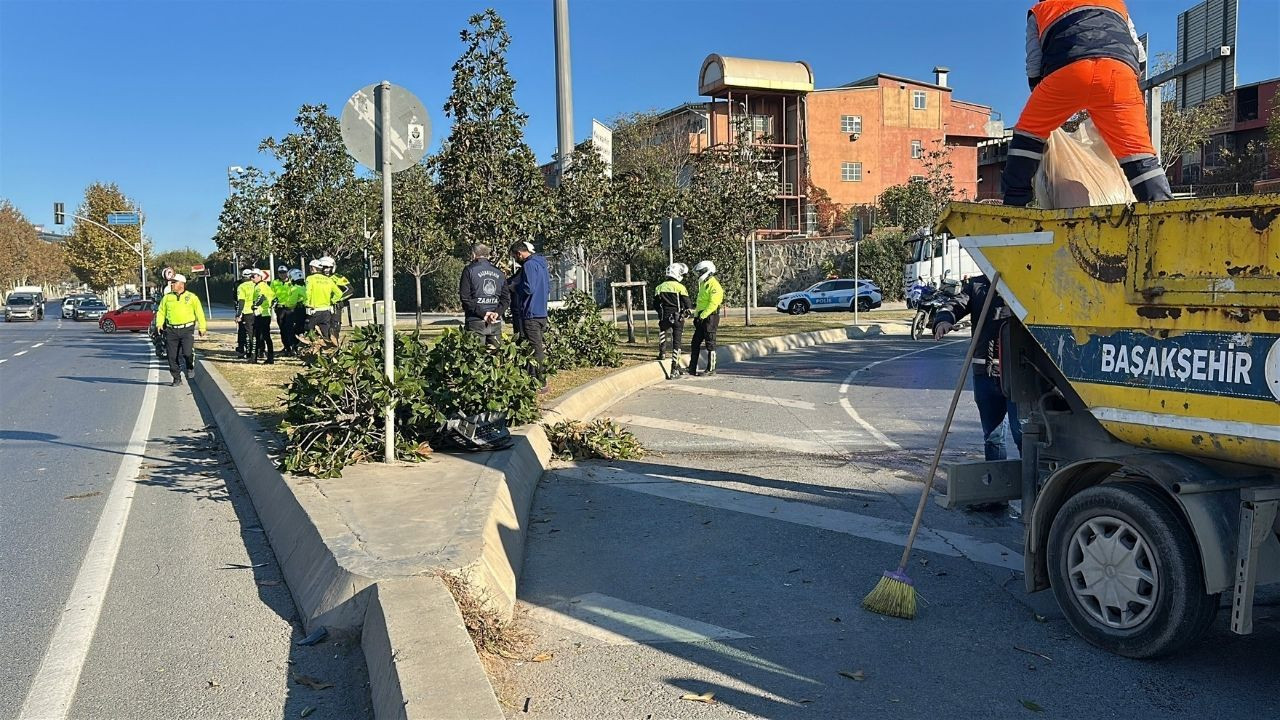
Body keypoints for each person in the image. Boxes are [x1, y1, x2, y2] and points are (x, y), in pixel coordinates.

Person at [1003, 0, 1172, 206]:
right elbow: (1141, 57)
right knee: (1140, 155)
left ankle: (1015, 205)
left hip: (1068, 72)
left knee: (1026, 137)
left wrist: (1046, 104)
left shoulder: (1041, 9)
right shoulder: (1116, 4)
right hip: (1119, 75)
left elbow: (1034, 66)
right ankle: (1163, 210)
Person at [933, 274, 1023, 463]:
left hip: (1020, 376)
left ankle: (1035, 487)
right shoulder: (977, 285)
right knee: (993, 437)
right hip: (986, 374)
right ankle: (998, 485)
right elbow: (955, 305)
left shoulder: (1024, 280)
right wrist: (943, 319)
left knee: (1023, 435)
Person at [509, 240, 550, 391]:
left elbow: (528, 288)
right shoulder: (541, 264)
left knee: (534, 348)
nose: (515, 260)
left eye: (515, 256)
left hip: (531, 313)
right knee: (536, 346)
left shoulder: (528, 265)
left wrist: (514, 287)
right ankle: (533, 377)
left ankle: (540, 380)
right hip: (541, 312)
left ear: (519, 253)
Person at [155, 274, 206, 387]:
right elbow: (161, 312)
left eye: (174, 282)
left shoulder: (192, 297)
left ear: (181, 284)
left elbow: (199, 313)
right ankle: (176, 377)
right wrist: (159, 324)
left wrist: (202, 327)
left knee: (187, 353)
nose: (172, 284)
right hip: (171, 330)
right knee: (172, 356)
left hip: (187, 329)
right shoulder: (167, 298)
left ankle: (189, 366)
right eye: (171, 282)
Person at [459, 243, 509, 348]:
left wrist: (483, 314)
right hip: (495, 321)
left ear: (473, 254)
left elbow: (465, 298)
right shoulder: (499, 272)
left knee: (476, 358)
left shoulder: (469, 270)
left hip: (475, 321)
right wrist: (497, 313)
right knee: (496, 358)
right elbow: (505, 299)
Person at [687, 260, 723, 377]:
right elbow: (700, 302)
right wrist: (696, 315)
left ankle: (711, 368)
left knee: (710, 343)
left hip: (710, 316)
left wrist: (702, 316)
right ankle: (692, 367)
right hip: (702, 316)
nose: (699, 274)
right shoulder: (703, 284)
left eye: (700, 272)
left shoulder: (714, 285)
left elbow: (713, 303)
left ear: (708, 271)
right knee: (695, 342)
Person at [655, 263, 691, 377]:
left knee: (662, 331)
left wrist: (661, 314)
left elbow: (655, 304)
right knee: (677, 342)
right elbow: (687, 304)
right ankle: (674, 368)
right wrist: (686, 312)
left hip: (664, 317)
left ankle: (662, 353)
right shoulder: (680, 287)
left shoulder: (659, 287)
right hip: (677, 317)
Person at [304, 258, 342, 343]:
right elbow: (339, 293)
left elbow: (307, 292)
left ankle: (312, 353)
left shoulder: (310, 279)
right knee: (325, 334)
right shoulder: (328, 280)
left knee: (310, 333)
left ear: (313, 268)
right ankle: (326, 352)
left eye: (310, 268)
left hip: (314, 310)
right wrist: (332, 301)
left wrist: (306, 303)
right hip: (326, 311)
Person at [246, 269, 276, 364]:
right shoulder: (264, 286)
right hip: (264, 314)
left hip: (262, 314)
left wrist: (255, 305)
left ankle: (255, 358)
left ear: (259, 276)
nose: (252, 278)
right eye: (251, 276)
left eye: (253, 276)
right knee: (264, 336)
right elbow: (274, 298)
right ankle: (268, 357)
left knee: (258, 336)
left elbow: (261, 297)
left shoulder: (260, 286)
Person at [277, 269, 304, 355]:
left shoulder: (295, 288)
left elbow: (292, 303)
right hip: (306, 311)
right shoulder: (305, 287)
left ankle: (293, 348)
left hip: (295, 311)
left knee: (290, 330)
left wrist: (285, 305)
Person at [327, 261, 351, 345]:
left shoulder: (338, 277)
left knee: (334, 327)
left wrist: (336, 300)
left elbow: (350, 290)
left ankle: (334, 345)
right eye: (324, 267)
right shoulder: (317, 278)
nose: (326, 269)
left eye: (328, 267)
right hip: (321, 306)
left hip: (335, 306)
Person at [234, 268, 255, 357]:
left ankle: (250, 352)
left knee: (247, 332)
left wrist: (238, 314)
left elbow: (240, 301)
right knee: (250, 332)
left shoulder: (241, 286)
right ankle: (243, 348)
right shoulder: (256, 284)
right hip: (256, 311)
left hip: (246, 311)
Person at [271, 265, 291, 346]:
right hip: (280, 309)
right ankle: (286, 346)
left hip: (290, 308)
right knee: (282, 328)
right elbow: (271, 294)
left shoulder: (292, 282)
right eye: (280, 273)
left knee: (290, 328)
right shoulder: (275, 283)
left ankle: (292, 346)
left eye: (284, 272)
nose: (282, 274)